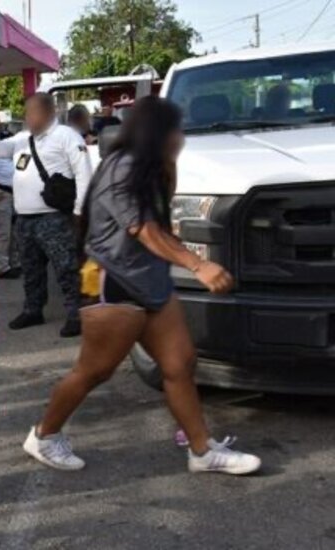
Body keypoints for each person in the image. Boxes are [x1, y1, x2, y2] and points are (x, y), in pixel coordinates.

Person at [22, 97, 261, 475]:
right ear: (158, 133)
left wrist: (169, 164)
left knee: (180, 364)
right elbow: (144, 230)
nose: (182, 136)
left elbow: (158, 221)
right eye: (176, 130)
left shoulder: (151, 167)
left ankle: (202, 451)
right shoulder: (123, 167)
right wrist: (198, 264)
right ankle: (44, 435)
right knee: (93, 371)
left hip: (149, 282)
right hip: (111, 284)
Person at [0, 93, 92, 337]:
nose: (27, 117)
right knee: (31, 268)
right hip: (24, 218)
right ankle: (33, 310)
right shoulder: (23, 139)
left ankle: (77, 314)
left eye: (31, 112)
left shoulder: (66, 137)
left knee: (66, 268)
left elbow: (84, 173)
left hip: (53, 217)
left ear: (47, 112)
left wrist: (79, 211)